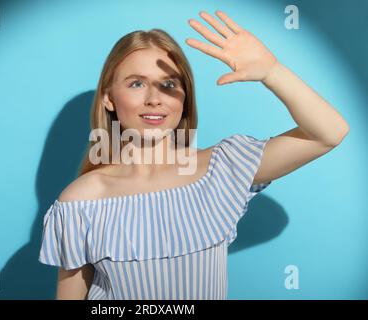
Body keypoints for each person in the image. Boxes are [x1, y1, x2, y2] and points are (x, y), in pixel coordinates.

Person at [38, 10, 349, 300]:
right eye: (136, 84)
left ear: (184, 98)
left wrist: (272, 72)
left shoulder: (224, 167)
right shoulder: (79, 201)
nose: (154, 99)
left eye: (168, 84)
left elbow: (329, 132)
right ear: (108, 98)